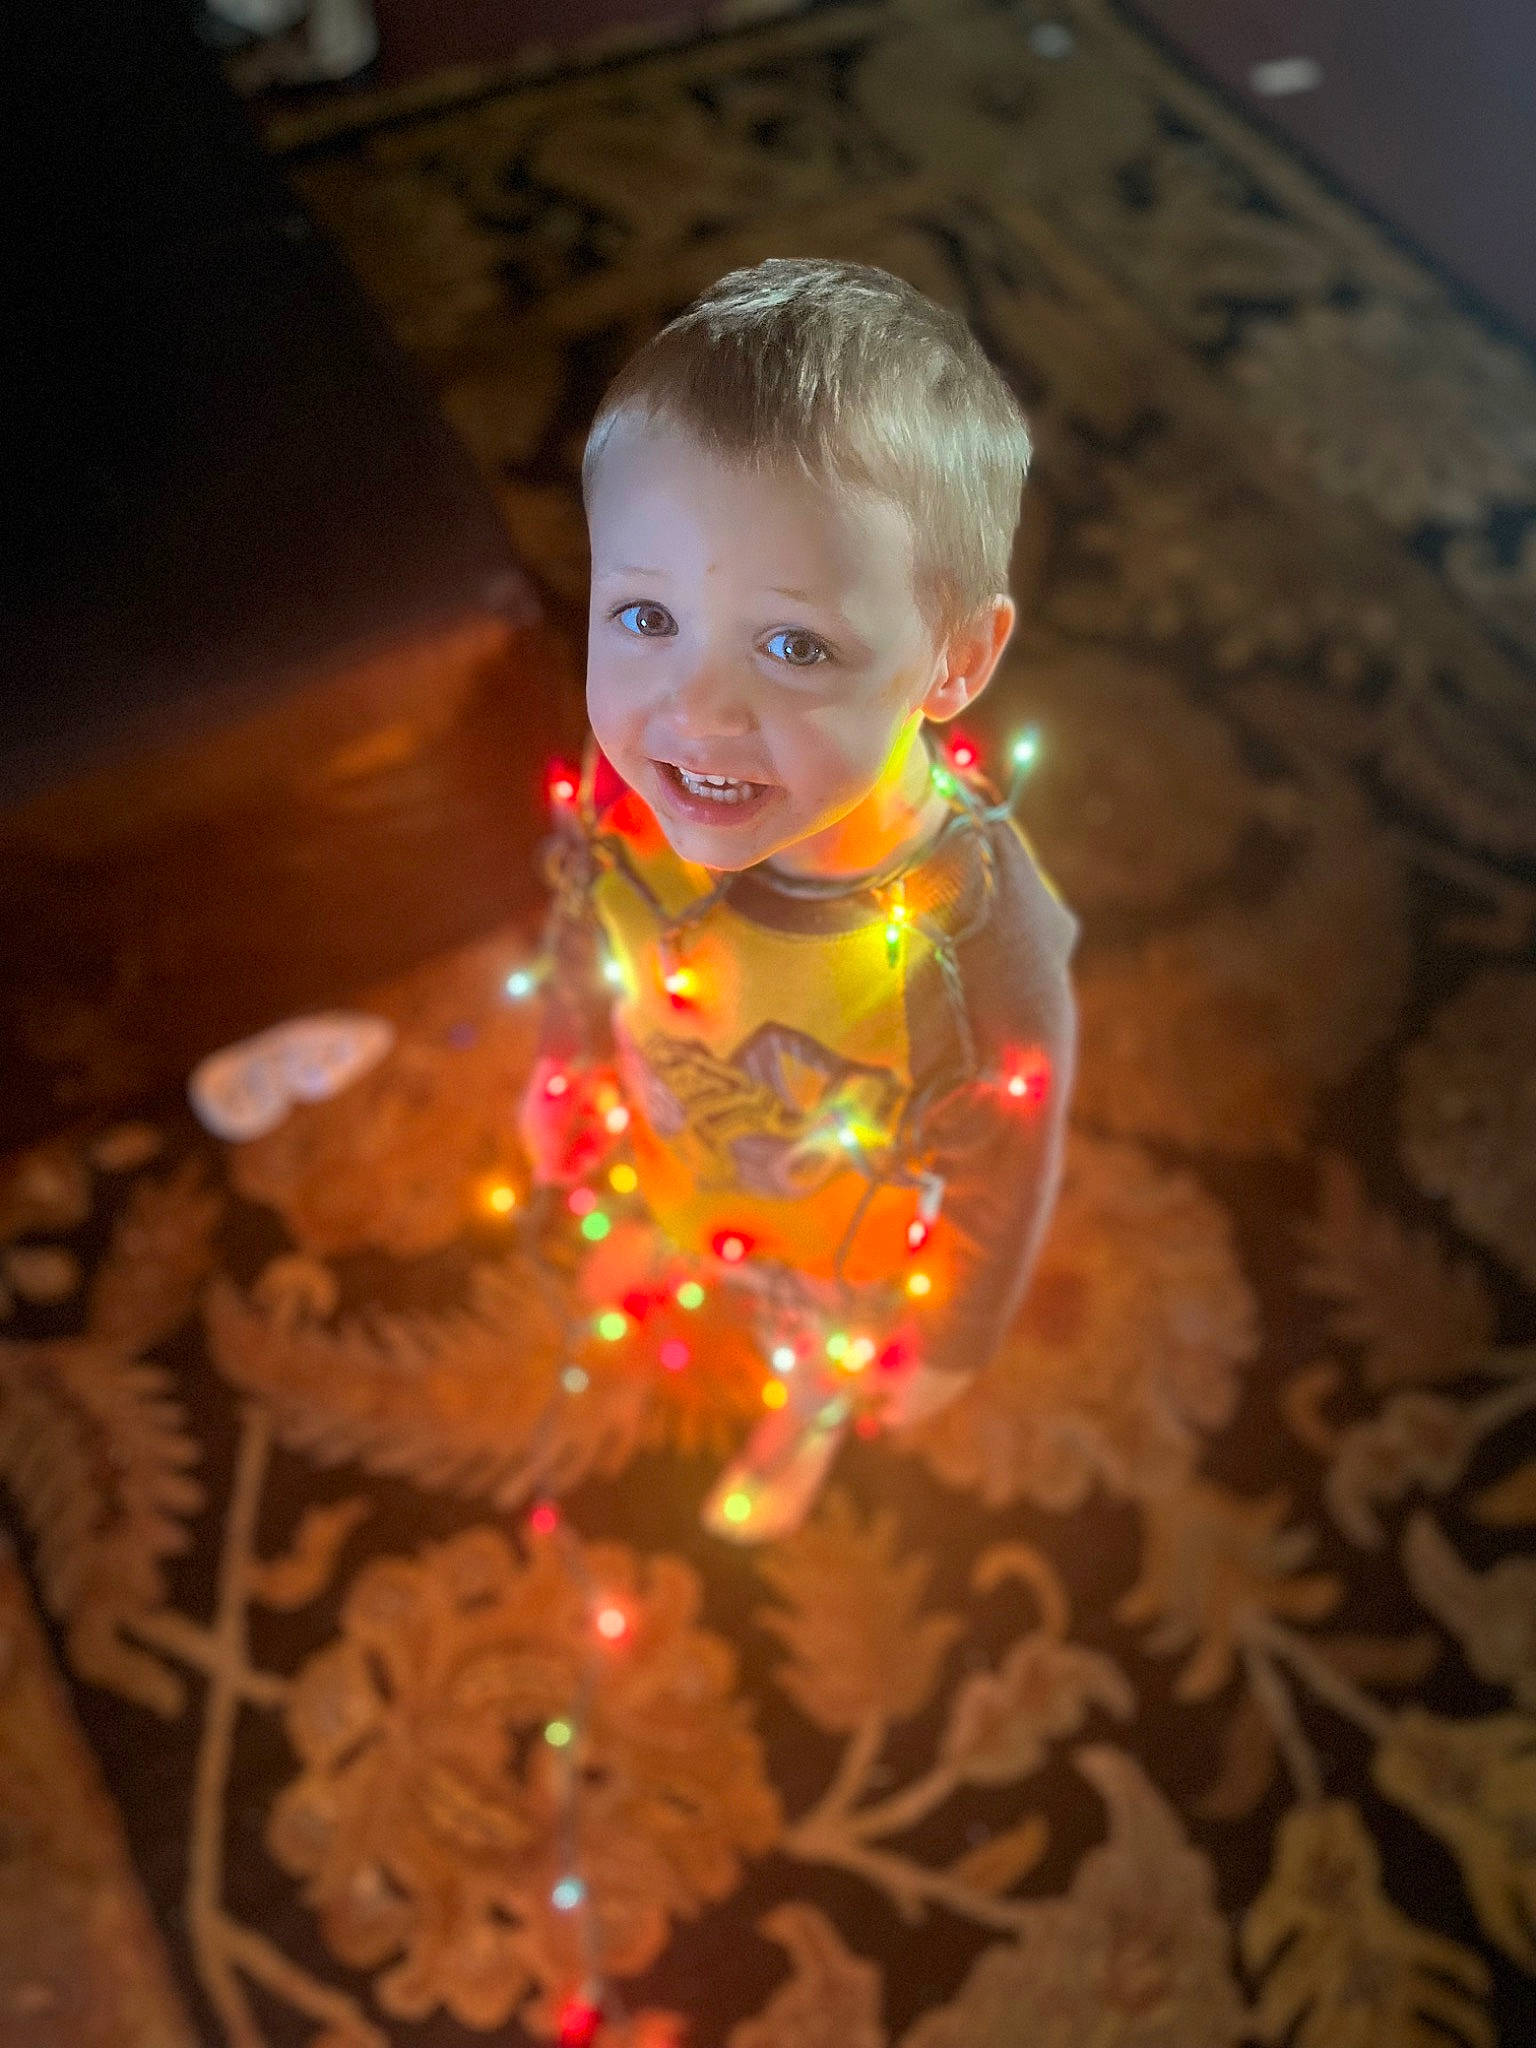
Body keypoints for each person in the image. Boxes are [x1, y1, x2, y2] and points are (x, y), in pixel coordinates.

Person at [517, 257, 1077, 1541]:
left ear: (956, 659)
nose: (695, 714)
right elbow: (580, 933)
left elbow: (1009, 1159)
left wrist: (956, 1337)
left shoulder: (974, 927)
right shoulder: (632, 794)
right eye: (645, 615)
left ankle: (809, 1409)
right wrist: (559, 1060)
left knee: (826, 1341)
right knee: (669, 1199)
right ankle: (678, 1237)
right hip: (680, 1130)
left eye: (794, 644)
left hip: (845, 1233)